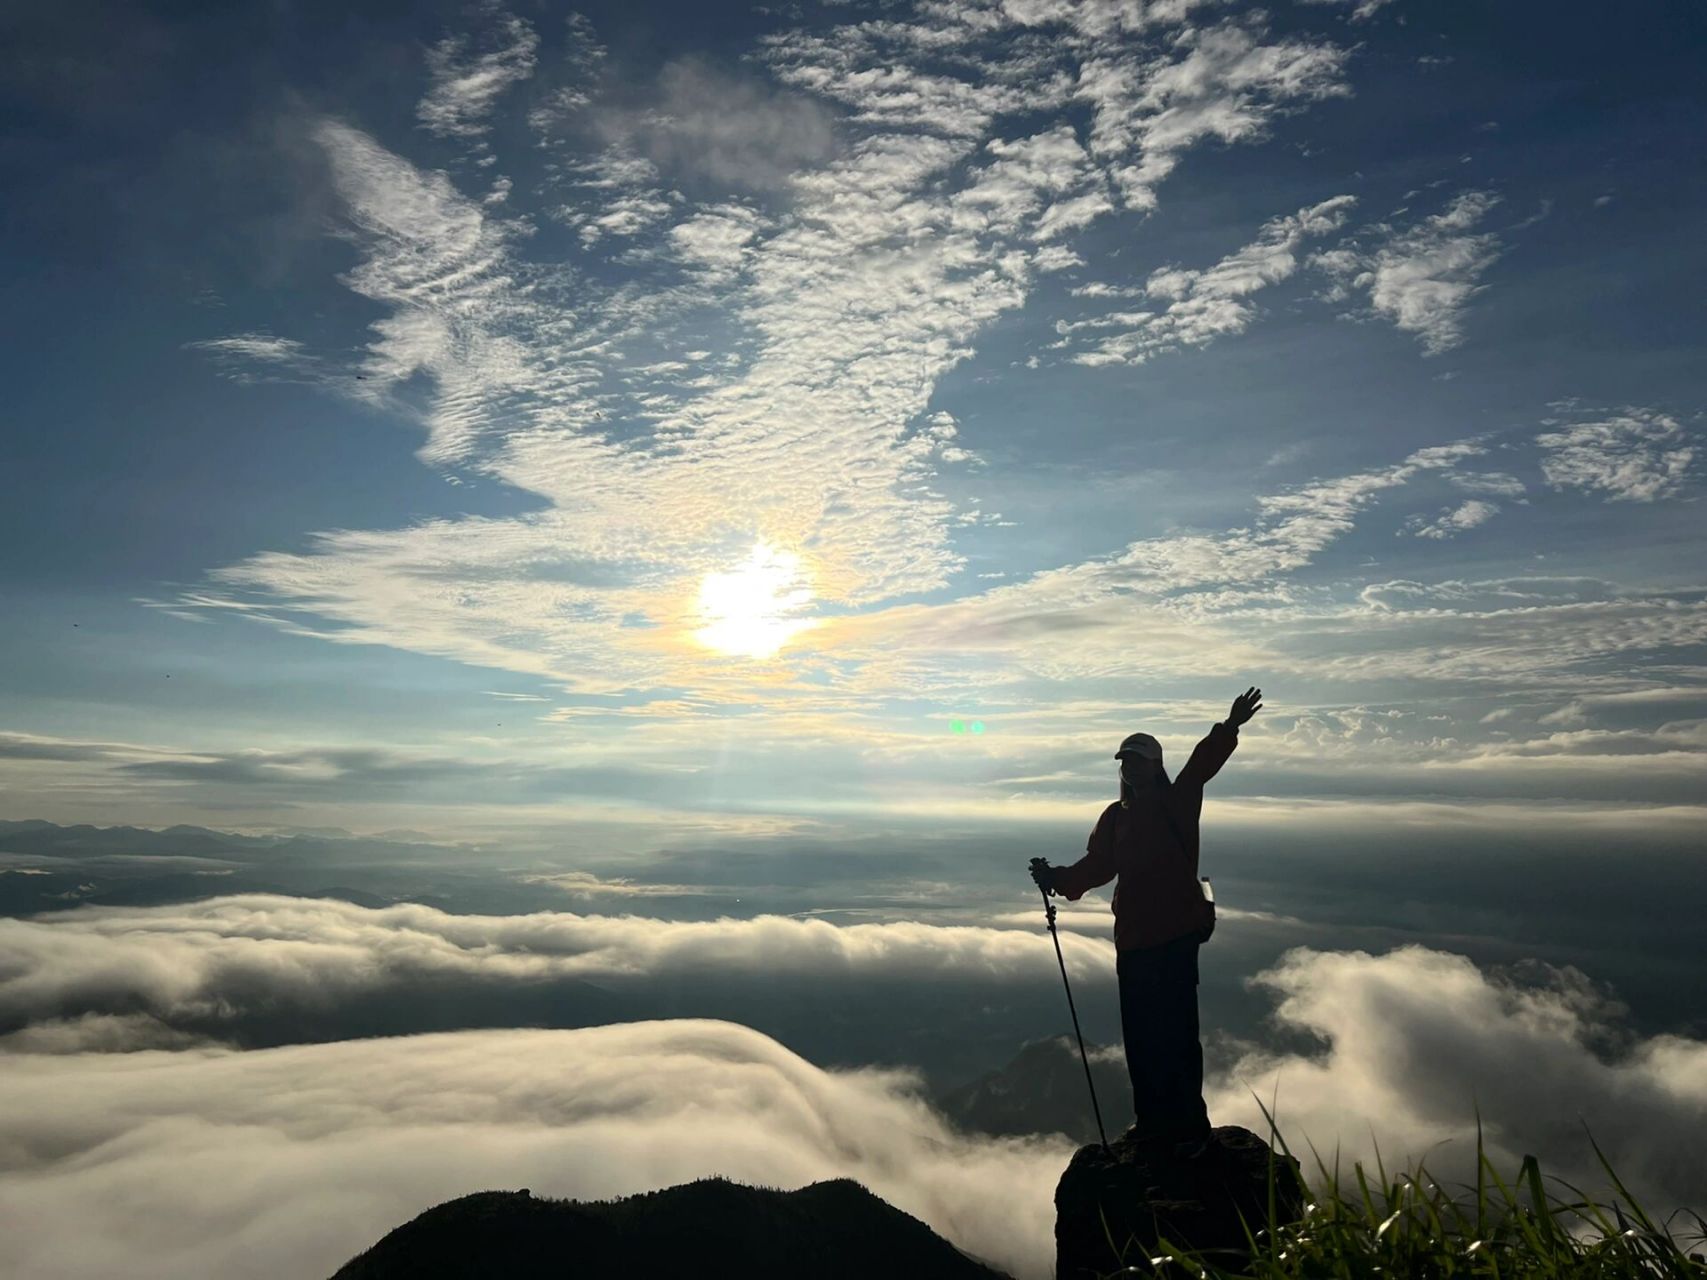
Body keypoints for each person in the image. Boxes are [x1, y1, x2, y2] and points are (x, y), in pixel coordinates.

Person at [1030, 687, 1263, 1157]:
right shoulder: (1116, 818)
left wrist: (1230, 725)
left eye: (1138, 759)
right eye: (1125, 761)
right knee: (1141, 1033)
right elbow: (1097, 867)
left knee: (1175, 1029)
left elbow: (1200, 764)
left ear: (1156, 765)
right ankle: (1153, 1120)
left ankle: (1186, 1123)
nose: (1130, 767)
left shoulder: (1177, 800)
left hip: (1172, 934)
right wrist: (1055, 877)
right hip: (1137, 938)